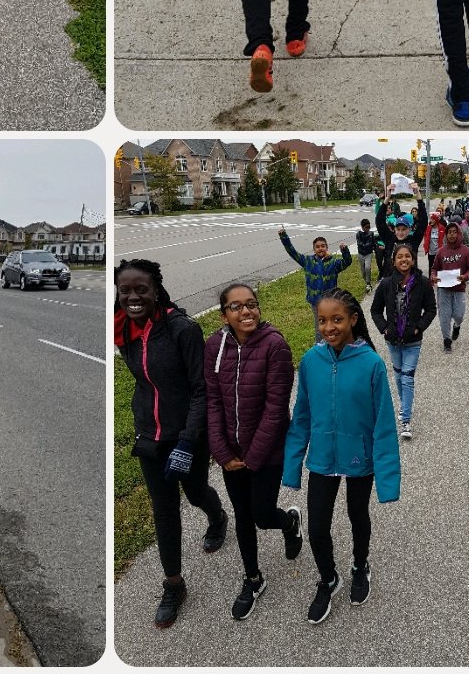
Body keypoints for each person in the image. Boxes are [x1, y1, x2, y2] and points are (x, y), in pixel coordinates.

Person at [115, 258, 227, 629]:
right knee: (164, 510)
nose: (132, 297)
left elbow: (201, 390)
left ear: (156, 290)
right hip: (150, 436)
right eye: (125, 290)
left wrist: (188, 441)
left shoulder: (182, 330)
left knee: (195, 494)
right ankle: (174, 584)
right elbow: (145, 382)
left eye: (140, 289)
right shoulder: (125, 330)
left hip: (186, 436)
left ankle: (217, 516)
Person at [282, 288, 400, 624]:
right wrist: (293, 466)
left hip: (359, 459)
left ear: (353, 319)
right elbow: (301, 416)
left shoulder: (371, 364)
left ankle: (360, 565)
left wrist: (388, 481)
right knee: (317, 527)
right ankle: (328, 578)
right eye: (322, 320)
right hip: (322, 458)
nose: (329, 327)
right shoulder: (310, 362)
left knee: (357, 517)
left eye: (337, 319)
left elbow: (383, 424)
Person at [205, 282, 302, 621]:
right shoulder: (215, 345)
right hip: (231, 454)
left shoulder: (275, 345)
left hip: (267, 454)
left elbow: (276, 408)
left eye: (251, 304)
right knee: (243, 517)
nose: (245, 311)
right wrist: (221, 451)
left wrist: (254, 457)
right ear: (224, 315)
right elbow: (213, 401)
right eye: (236, 307)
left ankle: (289, 522)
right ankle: (253, 579)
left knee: (261, 515)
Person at [370, 242, 437, 439]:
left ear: (413, 259)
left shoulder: (423, 283)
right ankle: (403, 405)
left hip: (413, 341)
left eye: (407, 256)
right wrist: (384, 328)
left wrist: (419, 327)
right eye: (400, 257)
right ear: (394, 261)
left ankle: (406, 419)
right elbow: (375, 310)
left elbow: (431, 309)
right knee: (398, 375)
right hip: (392, 340)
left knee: (407, 378)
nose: (404, 259)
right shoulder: (386, 284)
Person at [275, 228, 352, 342]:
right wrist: (284, 237)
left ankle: (334, 344)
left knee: (332, 325)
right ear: (314, 249)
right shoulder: (307, 261)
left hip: (330, 302)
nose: (320, 248)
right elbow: (292, 252)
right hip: (316, 302)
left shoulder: (333, 263)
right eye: (317, 246)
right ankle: (320, 348)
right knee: (319, 327)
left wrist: (345, 251)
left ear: (327, 247)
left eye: (323, 246)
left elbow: (347, 262)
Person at [430, 220, 469, 351]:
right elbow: (434, 268)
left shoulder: (466, 251)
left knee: (459, 315)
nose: (451, 235)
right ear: (446, 234)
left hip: (459, 289)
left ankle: (457, 326)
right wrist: (433, 277)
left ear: (459, 234)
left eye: (454, 232)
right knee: (444, 316)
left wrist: (465, 277)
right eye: (449, 232)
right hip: (443, 289)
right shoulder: (441, 252)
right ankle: (447, 340)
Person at [374, 184, 427, 271]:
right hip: (392, 280)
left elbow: (423, 222)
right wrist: (387, 198)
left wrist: (418, 195)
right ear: (394, 229)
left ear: (409, 229)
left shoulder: (413, 240)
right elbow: (379, 221)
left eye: (404, 229)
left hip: (411, 280)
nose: (400, 232)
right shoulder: (390, 239)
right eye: (398, 229)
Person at [422, 208, 445, 277]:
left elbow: (444, 239)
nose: (431, 220)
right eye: (430, 219)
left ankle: (438, 279)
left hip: (439, 251)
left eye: (432, 219)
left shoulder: (442, 228)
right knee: (431, 266)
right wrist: (425, 246)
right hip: (430, 251)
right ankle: (431, 279)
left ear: (436, 220)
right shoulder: (428, 228)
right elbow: (425, 237)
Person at [355, 219, 376, 292]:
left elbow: (372, 243)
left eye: (369, 227)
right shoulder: (358, 234)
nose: (368, 229)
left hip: (368, 253)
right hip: (361, 254)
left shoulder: (371, 234)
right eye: (366, 227)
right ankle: (367, 281)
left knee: (367, 267)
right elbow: (359, 243)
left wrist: (373, 247)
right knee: (363, 272)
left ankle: (368, 283)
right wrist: (365, 245)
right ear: (362, 227)